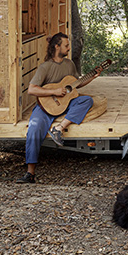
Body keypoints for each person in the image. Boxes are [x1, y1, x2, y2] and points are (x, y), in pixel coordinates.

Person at [15, 33, 93, 184]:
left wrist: (92, 76)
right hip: (46, 106)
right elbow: (32, 89)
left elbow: (76, 84)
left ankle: (60, 127)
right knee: (34, 128)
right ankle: (30, 173)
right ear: (57, 47)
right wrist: (54, 92)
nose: (69, 48)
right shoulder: (45, 67)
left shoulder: (69, 64)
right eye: (66, 45)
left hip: (65, 104)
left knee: (87, 100)